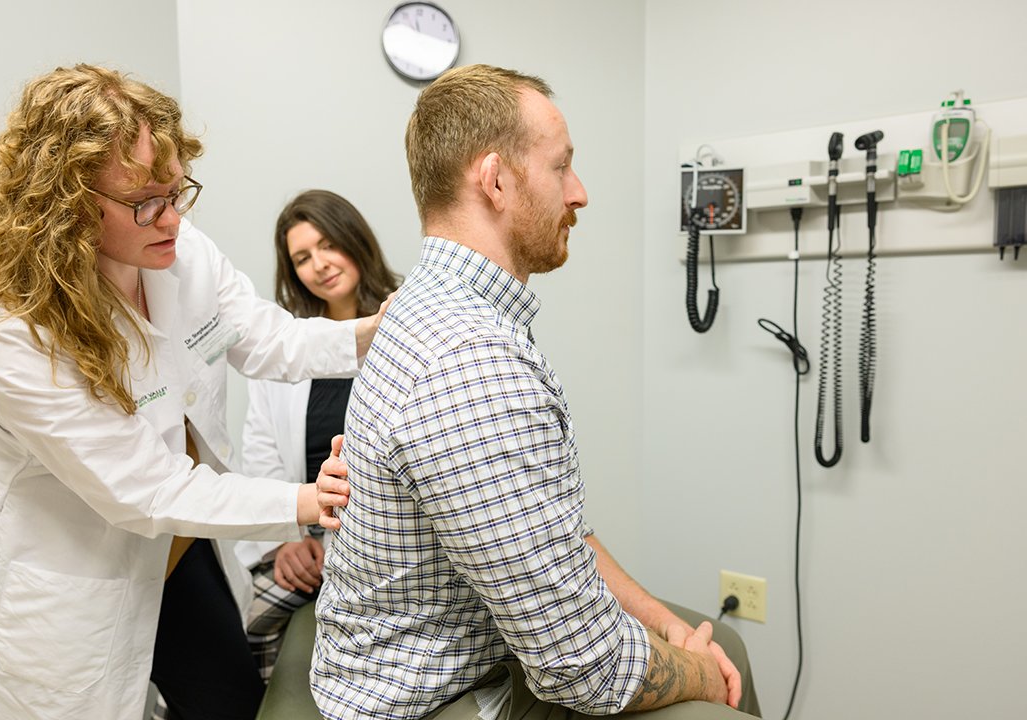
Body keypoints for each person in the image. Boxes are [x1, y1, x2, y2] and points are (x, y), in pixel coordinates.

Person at [310, 64, 761, 720]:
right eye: (561, 168)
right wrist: (699, 673)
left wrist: (663, 624)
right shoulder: (468, 368)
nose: (578, 193)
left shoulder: (428, 306)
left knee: (724, 647)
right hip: (432, 697)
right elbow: (586, 671)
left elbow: (556, 532)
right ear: (495, 180)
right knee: (723, 686)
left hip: (461, 647)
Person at [0, 64, 384, 720]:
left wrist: (370, 333)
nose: (173, 220)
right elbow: (148, 489)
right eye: (146, 204)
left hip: (178, 551)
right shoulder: (16, 337)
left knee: (233, 705)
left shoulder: (178, 253)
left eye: (177, 190)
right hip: (76, 581)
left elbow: (266, 338)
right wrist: (308, 500)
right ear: (70, 204)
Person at [237, 189, 401, 678]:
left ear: (355, 240)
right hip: (305, 538)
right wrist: (285, 539)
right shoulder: (286, 346)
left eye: (328, 244)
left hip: (388, 544)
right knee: (238, 638)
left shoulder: (408, 320)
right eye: (303, 258)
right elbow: (262, 455)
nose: (320, 265)